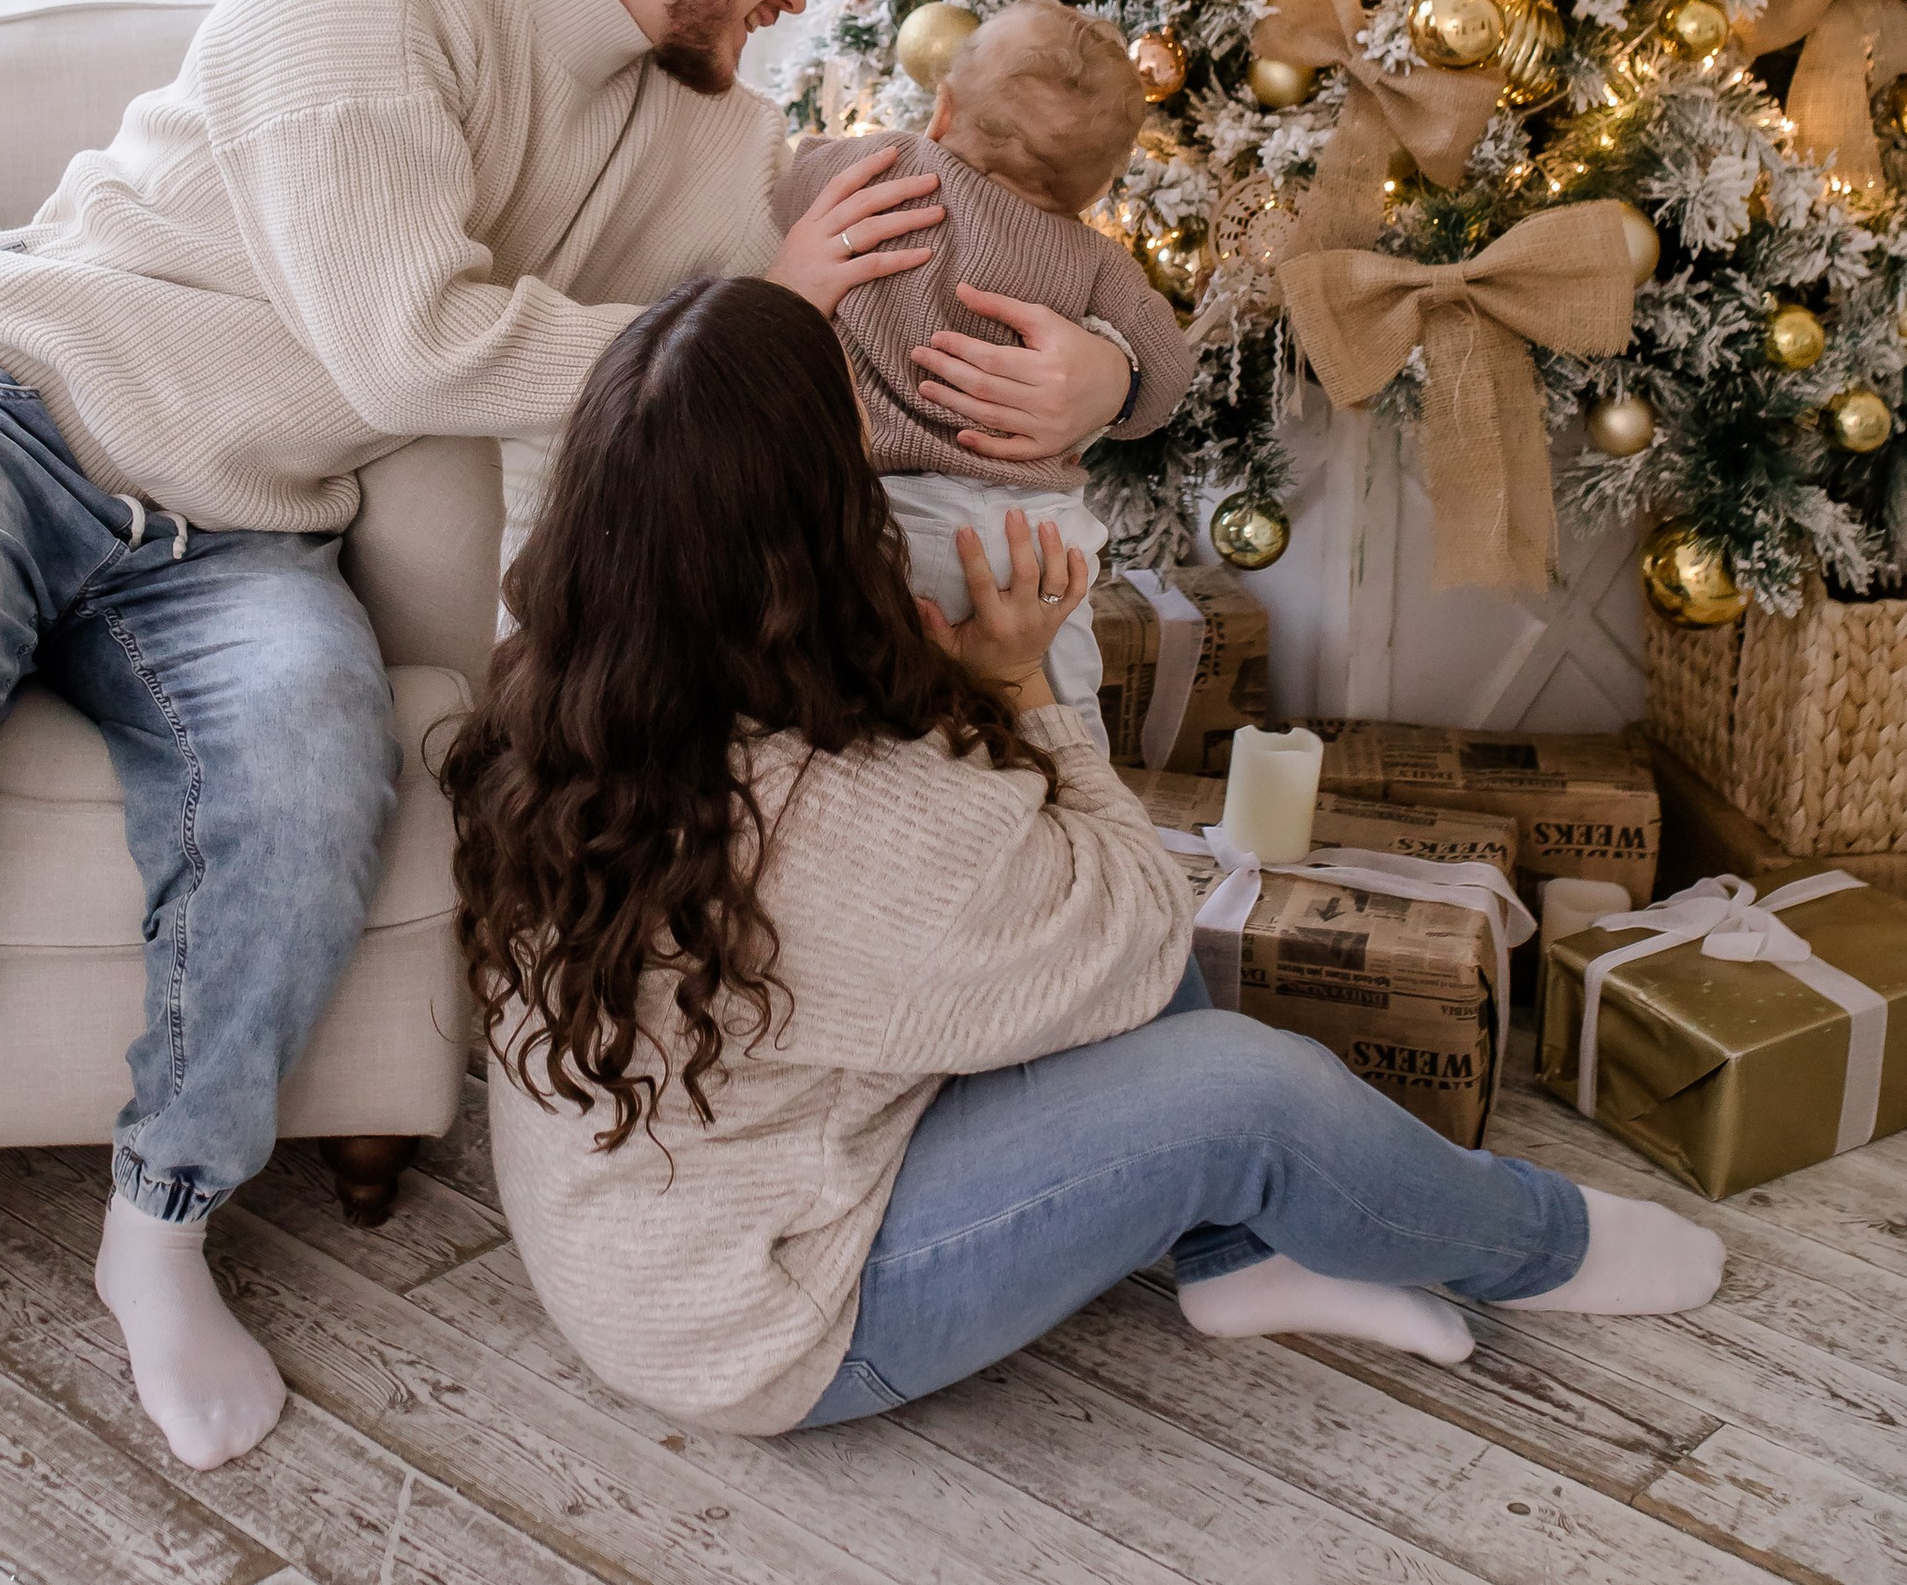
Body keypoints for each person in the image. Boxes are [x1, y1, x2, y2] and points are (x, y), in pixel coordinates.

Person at [0, 0, 1134, 1469]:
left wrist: (1102, 387)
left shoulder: (703, 140)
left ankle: (156, 1224)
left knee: (325, 765)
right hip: (11, 410)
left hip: (241, 528)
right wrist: (734, 316)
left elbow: (862, 356)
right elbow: (410, 344)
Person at [448, 274, 1726, 1440]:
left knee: (1070, 932)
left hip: (656, 1233)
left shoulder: (561, 684)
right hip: (772, 1318)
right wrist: (1024, 693)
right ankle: (1536, 1244)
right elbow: (1140, 924)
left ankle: (1243, 1259)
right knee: (1248, 1089)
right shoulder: (832, 813)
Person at [777, 0, 1191, 716]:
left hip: (876, 518)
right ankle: (1081, 809)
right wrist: (1121, 382)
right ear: (1096, 189)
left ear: (941, 112)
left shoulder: (885, 170)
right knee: (1059, 716)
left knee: (875, 713)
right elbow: (1168, 372)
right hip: (1032, 540)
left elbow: (789, 186)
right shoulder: (1095, 261)